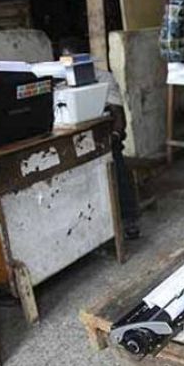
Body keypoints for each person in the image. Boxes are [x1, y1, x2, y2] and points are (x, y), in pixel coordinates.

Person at [59, 38, 140, 239]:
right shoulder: (60, 84)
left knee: (113, 160)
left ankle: (128, 218)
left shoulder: (103, 78)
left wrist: (114, 135)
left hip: (104, 136)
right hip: (74, 138)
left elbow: (118, 114)